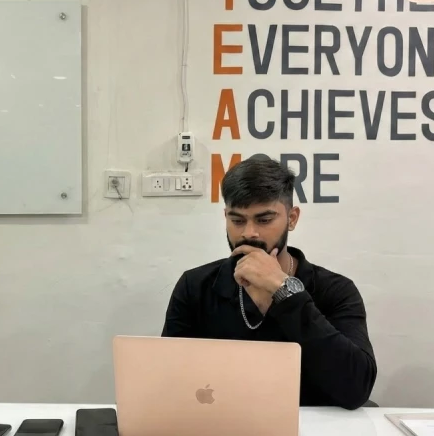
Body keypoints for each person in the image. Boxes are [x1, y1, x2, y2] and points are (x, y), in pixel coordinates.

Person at [161, 154, 377, 410]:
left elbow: (356, 389)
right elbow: (169, 378)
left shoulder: (335, 290)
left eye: (264, 220)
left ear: (292, 219)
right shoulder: (196, 286)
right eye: (237, 220)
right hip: (221, 420)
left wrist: (283, 291)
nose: (248, 233)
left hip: (310, 424)